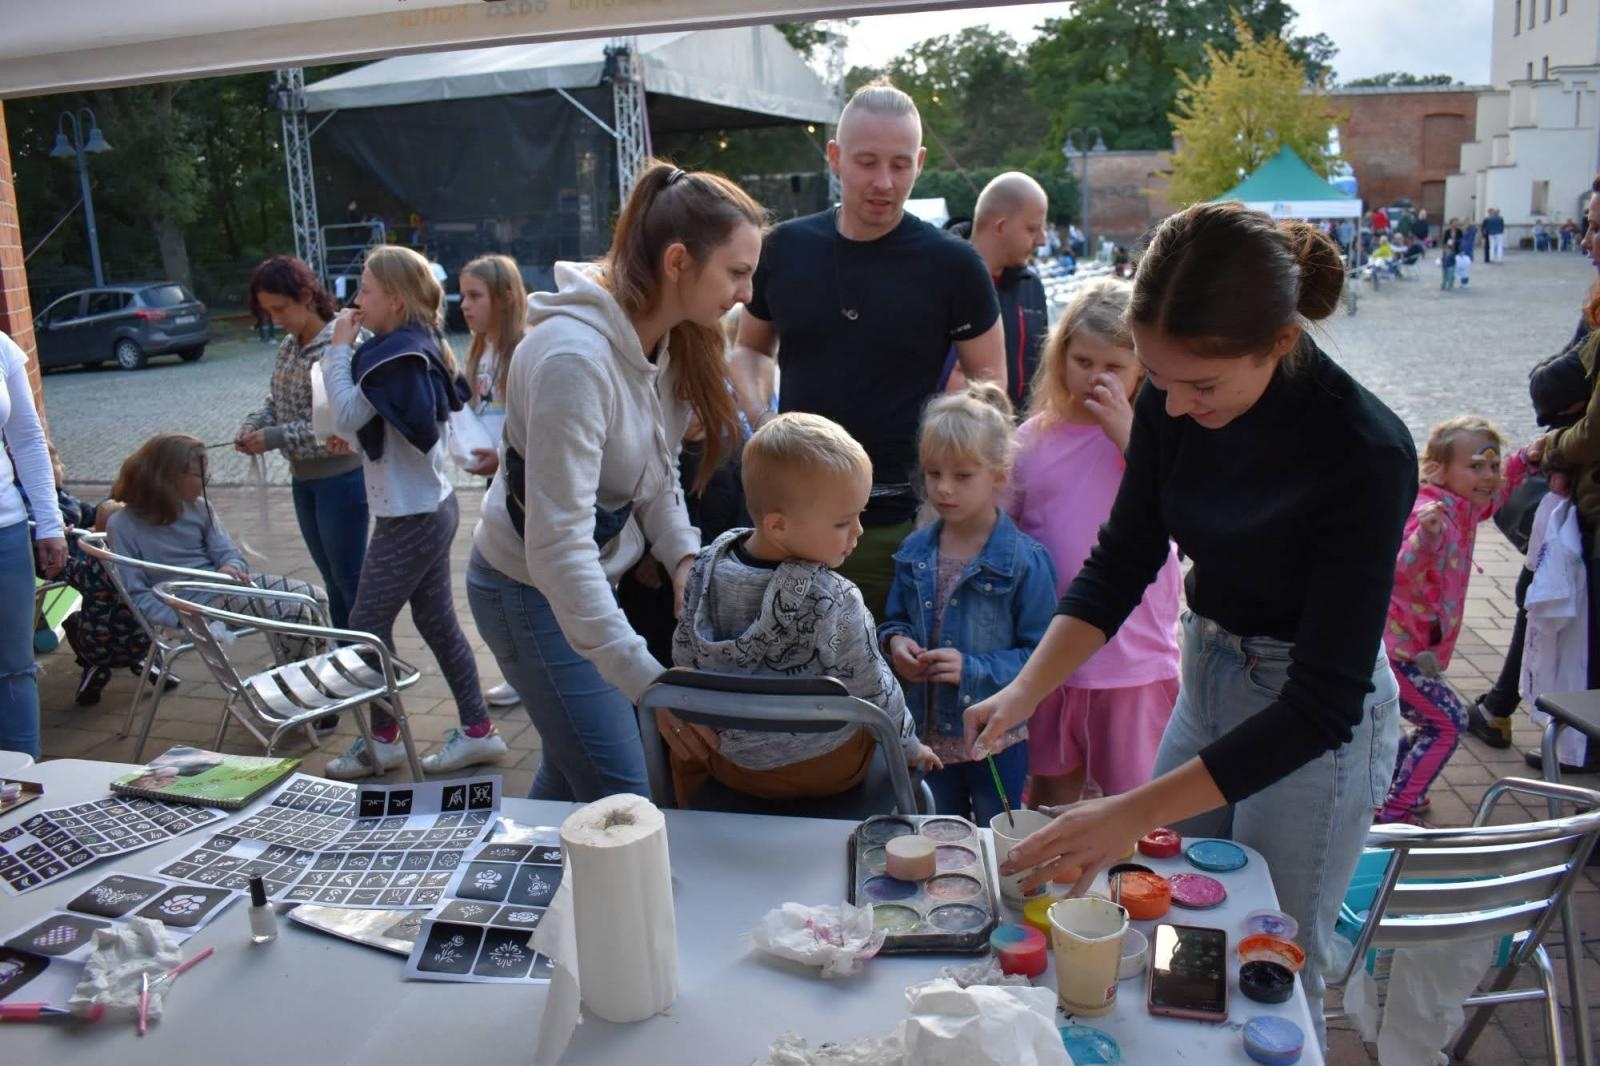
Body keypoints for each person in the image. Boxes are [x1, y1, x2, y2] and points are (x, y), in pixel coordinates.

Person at [963, 202, 1415, 1047]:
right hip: (1208, 669)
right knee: (1164, 908)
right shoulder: (1175, 401)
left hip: (1310, 720)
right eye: (1158, 379)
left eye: (1200, 385)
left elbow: (1323, 704)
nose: (1171, 404)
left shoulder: (1365, 453)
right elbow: (1121, 563)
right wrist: (1028, 690)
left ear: (1280, 344)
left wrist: (1124, 809)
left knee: (1271, 954)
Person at [469, 161, 763, 801]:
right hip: (526, 589)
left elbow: (654, 474)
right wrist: (649, 683)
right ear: (679, 261)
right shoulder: (574, 360)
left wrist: (683, 556)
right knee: (627, 794)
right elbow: (558, 550)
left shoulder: (663, 339)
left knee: (576, 775)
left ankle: (506, 894)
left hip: (573, 586)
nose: (747, 294)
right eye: (737, 273)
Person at [730, 81, 1005, 619]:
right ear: (835, 158)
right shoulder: (784, 248)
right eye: (867, 162)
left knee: (890, 684)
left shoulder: (953, 264)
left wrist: (953, 490)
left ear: (921, 162)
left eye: (900, 165)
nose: (884, 182)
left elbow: (989, 387)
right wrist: (761, 417)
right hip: (790, 515)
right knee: (789, 685)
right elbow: (750, 350)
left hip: (904, 524)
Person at [670, 413, 941, 805]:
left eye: (860, 515)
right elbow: (873, 684)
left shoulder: (705, 568)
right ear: (778, 525)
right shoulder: (834, 597)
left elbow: (683, 654)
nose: (859, 533)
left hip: (728, 764)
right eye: (843, 523)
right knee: (872, 710)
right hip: (825, 769)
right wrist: (911, 746)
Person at [321, 245, 504, 778]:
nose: (357, 299)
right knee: (435, 621)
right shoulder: (411, 347)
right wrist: (355, 442)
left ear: (395, 301)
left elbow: (347, 408)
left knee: (366, 626)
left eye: (366, 290)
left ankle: (385, 740)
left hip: (413, 515)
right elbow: (386, 425)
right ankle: (477, 730)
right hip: (424, 506)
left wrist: (337, 349)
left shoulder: (392, 353)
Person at [1009, 279, 1182, 806]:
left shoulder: (1156, 436)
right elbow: (1005, 533)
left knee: (1134, 800)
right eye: (1083, 361)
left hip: (1133, 657)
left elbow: (1179, 507)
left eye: (1114, 367)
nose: (1096, 377)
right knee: (1050, 794)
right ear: (1061, 354)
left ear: (1141, 372)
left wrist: (1127, 434)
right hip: (1051, 651)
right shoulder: (1031, 439)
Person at [877, 386, 1056, 822]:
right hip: (925, 739)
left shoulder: (1025, 561)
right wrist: (896, 645)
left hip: (997, 741)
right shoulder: (914, 550)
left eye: (962, 475)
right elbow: (893, 622)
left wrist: (972, 669)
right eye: (934, 473)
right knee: (939, 836)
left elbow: (1044, 660)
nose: (943, 488)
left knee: (997, 836)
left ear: (998, 474)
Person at [1380, 417, 1532, 823]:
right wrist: (1425, 539)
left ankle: (1388, 781)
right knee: (1447, 723)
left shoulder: (1464, 509)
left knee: (1437, 720)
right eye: (1476, 466)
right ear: (1438, 470)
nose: (1489, 476)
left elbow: (1494, 500)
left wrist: (1523, 462)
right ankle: (1395, 809)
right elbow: (1398, 570)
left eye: (1493, 465)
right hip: (1399, 651)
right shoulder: (1431, 513)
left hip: (1417, 648)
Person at [237, 256, 370, 645]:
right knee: (332, 578)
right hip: (305, 482)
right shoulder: (289, 345)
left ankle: (366, 658)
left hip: (342, 481)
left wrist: (274, 437)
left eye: (280, 308)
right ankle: (348, 655)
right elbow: (274, 400)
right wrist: (254, 424)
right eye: (268, 312)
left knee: (350, 581)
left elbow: (341, 423)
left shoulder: (341, 343)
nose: (276, 318)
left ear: (307, 295)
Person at [105, 434, 328, 664]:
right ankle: (295, 681)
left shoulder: (200, 508)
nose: (207, 481)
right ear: (170, 477)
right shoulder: (122, 525)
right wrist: (176, 618)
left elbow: (229, 552)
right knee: (295, 610)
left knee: (317, 598)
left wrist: (230, 566)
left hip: (224, 587)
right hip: (192, 603)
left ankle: (313, 671)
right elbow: (135, 592)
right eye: (201, 476)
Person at [456, 254, 529, 711]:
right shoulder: (479, 349)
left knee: (516, 580)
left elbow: (533, 428)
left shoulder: (524, 349)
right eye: (462, 295)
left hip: (519, 485)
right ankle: (519, 672)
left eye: (474, 296)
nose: (464, 306)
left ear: (504, 298)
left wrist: (500, 457)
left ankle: (528, 672)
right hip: (493, 481)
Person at [0, 331, 65, 758]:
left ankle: (25, 783)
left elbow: (26, 439)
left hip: (5, 530)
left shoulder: (1, 346)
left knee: (14, 669)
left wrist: (50, 523)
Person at [955, 173, 1049, 410]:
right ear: (1001, 227)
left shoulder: (1032, 286)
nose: (1042, 240)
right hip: (961, 437)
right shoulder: (943, 278)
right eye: (1032, 229)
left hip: (1022, 436)